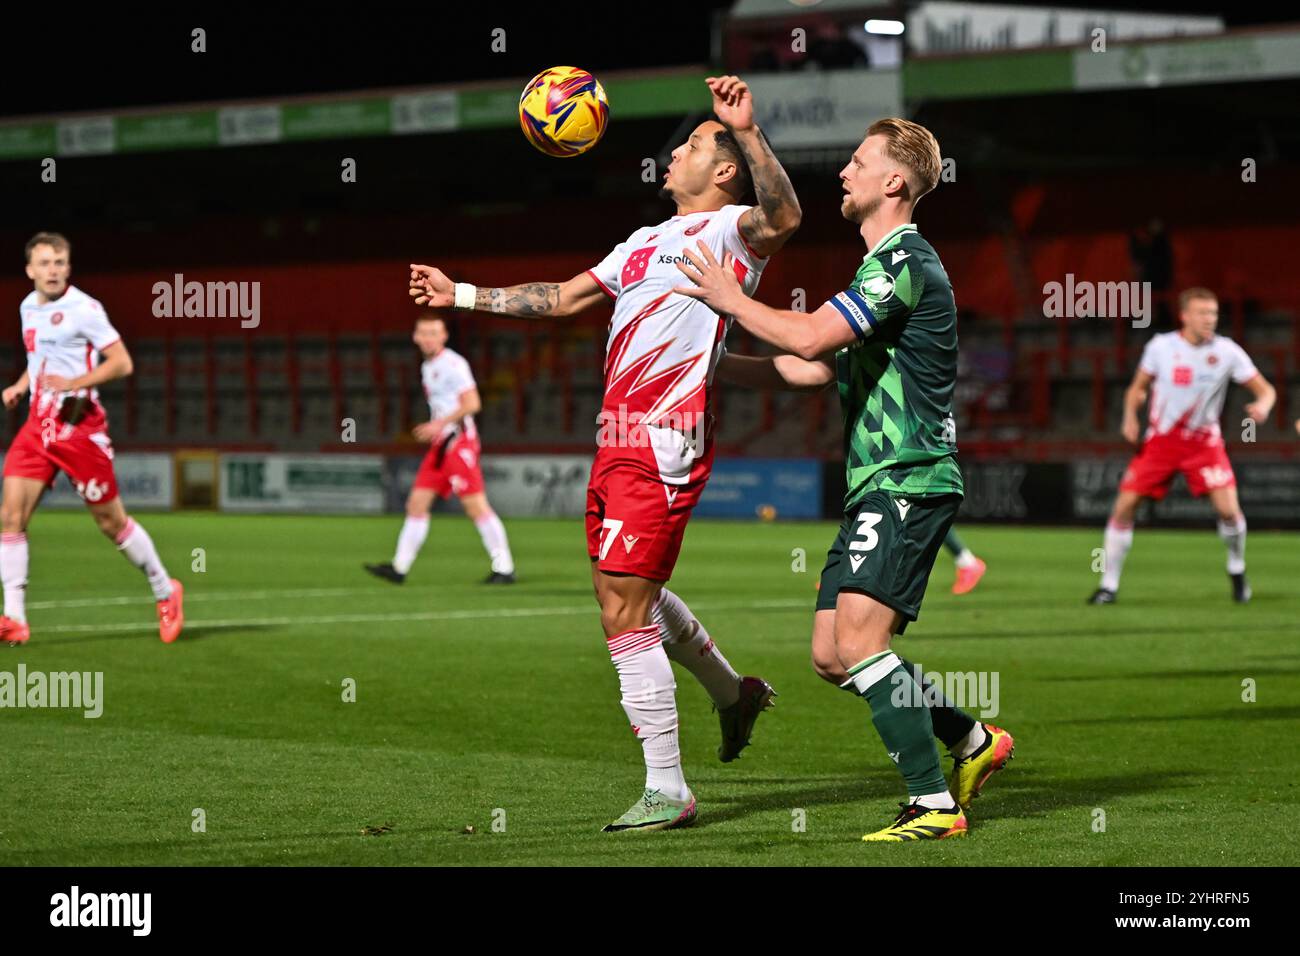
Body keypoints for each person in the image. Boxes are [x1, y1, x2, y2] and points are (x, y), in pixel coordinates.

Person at [409, 76, 800, 831]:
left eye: (689, 146)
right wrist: (461, 293)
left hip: (663, 437)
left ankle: (668, 789)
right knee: (627, 594)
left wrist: (745, 132)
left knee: (623, 610)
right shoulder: (643, 242)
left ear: (722, 172)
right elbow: (558, 298)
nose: (674, 153)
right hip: (617, 435)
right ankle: (733, 694)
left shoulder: (729, 234)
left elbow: (785, 214)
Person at [676, 117, 1014, 842]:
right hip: (879, 482)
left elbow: (805, 336)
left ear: (894, 181)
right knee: (833, 654)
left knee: (861, 644)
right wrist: (714, 363)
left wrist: (726, 298)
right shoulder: (878, 268)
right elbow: (812, 364)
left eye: (858, 162)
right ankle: (970, 741)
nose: (844, 172)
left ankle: (933, 805)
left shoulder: (904, 262)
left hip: (909, 476)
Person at [1, 232, 184, 646]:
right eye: (45, 263)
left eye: (60, 262)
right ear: (30, 270)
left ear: (68, 267)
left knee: (111, 523)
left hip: (81, 428)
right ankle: (14, 618)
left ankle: (164, 588)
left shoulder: (85, 309)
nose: (54, 270)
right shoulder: (27, 306)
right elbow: (39, 359)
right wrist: (20, 385)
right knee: (10, 517)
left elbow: (122, 363)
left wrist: (75, 382)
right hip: (38, 427)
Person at [1088, 288, 1276, 605]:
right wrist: (1129, 417)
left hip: (1204, 444)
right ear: (1184, 315)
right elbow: (1137, 388)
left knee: (1228, 511)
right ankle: (1108, 585)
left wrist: (1263, 406)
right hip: (1161, 442)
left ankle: (1237, 569)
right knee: (1124, 507)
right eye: (1202, 313)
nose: (1209, 319)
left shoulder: (1228, 351)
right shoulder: (1161, 347)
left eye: (1214, 313)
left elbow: (1265, 389)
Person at [365, 315, 515, 585]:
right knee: (416, 503)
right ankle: (399, 568)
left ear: (444, 336)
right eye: (423, 333)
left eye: (434, 333)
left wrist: (439, 424)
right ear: (415, 337)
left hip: (458, 442)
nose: (428, 338)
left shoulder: (454, 364)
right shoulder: (428, 366)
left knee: (475, 506)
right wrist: (437, 429)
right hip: (440, 446)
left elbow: (473, 403)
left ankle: (504, 568)